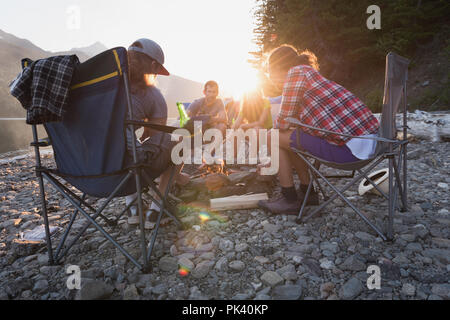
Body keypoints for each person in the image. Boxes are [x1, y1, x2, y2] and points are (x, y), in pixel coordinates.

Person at [258, 45, 379, 215]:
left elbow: (283, 121)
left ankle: (289, 199)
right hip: (371, 142)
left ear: (280, 66)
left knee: (273, 136)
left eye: (271, 71)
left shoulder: (296, 73)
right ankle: (308, 192)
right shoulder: (308, 73)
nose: (270, 78)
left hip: (350, 150)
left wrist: (273, 158)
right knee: (291, 138)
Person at [125, 38, 188, 229]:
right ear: (153, 65)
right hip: (130, 168)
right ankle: (156, 209)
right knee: (179, 140)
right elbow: (157, 134)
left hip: (88, 169)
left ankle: (133, 208)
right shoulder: (152, 94)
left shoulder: (103, 87)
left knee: (122, 143)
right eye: (156, 71)